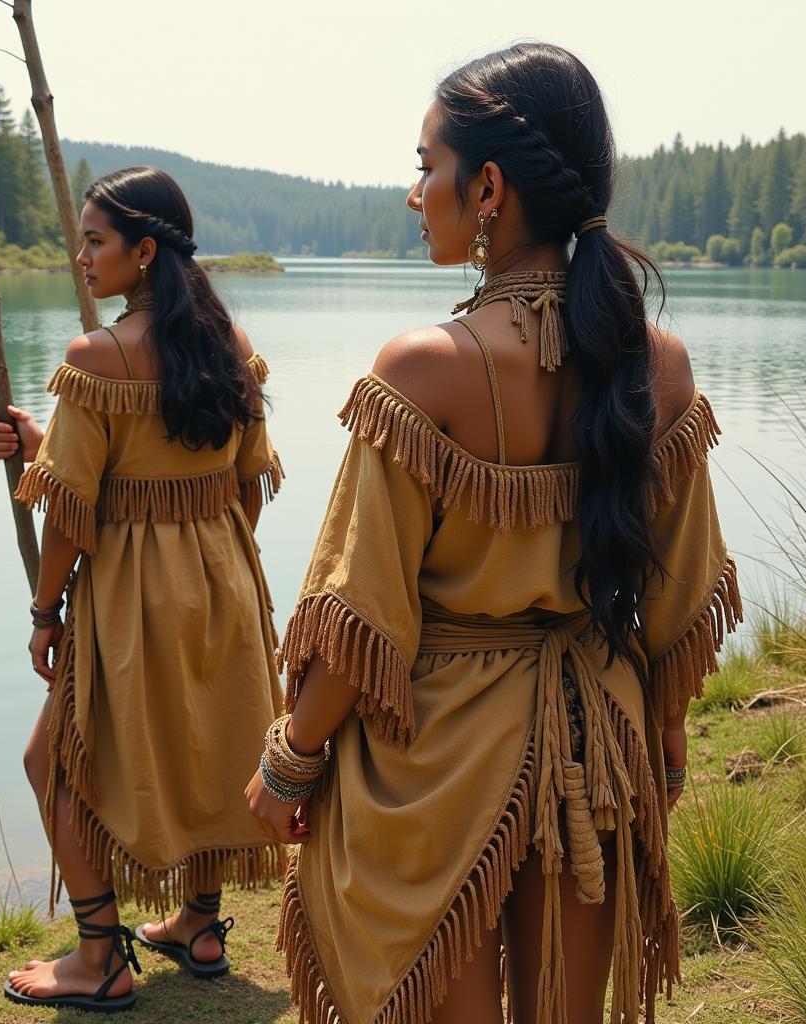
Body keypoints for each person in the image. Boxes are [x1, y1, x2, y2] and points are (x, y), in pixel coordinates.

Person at [246, 42, 742, 1024]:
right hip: (594, 744)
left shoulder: (427, 367)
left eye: (423, 166)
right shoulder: (661, 366)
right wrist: (666, 741)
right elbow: (681, 607)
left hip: (436, 759)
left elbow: (361, 616)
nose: (412, 192)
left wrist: (288, 758)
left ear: (485, 188)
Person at [0, 166, 285, 1012]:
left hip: (133, 599)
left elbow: (73, 516)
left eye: (95, 240)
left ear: (144, 251)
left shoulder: (97, 356)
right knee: (205, 738)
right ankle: (197, 924)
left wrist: (46, 612)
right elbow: (248, 479)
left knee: (52, 758)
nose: (81, 256)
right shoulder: (227, 348)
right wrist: (215, 565)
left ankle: (97, 955)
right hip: (226, 582)